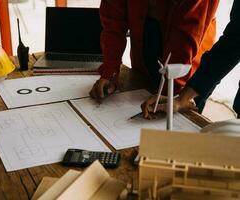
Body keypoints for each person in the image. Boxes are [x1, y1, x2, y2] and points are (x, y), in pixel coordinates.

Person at [90, 0, 219, 103]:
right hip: (143, 64)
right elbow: (113, 24)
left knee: (174, 127)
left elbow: (184, 41)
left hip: (188, 72)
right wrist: (110, 71)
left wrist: (172, 97)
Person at [141, 0, 240, 119]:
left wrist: (179, 94)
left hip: (190, 57)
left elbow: (187, 33)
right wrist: (182, 99)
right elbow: (234, 40)